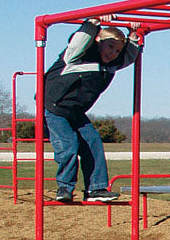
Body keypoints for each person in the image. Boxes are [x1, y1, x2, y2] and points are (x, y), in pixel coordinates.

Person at [43, 15, 142, 204]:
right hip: (55, 108)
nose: (113, 53)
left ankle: (96, 189)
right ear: (97, 41)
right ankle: (64, 187)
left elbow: (129, 56)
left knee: (93, 142)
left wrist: (133, 36)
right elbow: (79, 40)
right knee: (68, 145)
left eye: (117, 49)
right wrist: (93, 23)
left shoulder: (110, 65)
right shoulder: (77, 55)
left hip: (76, 112)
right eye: (110, 46)